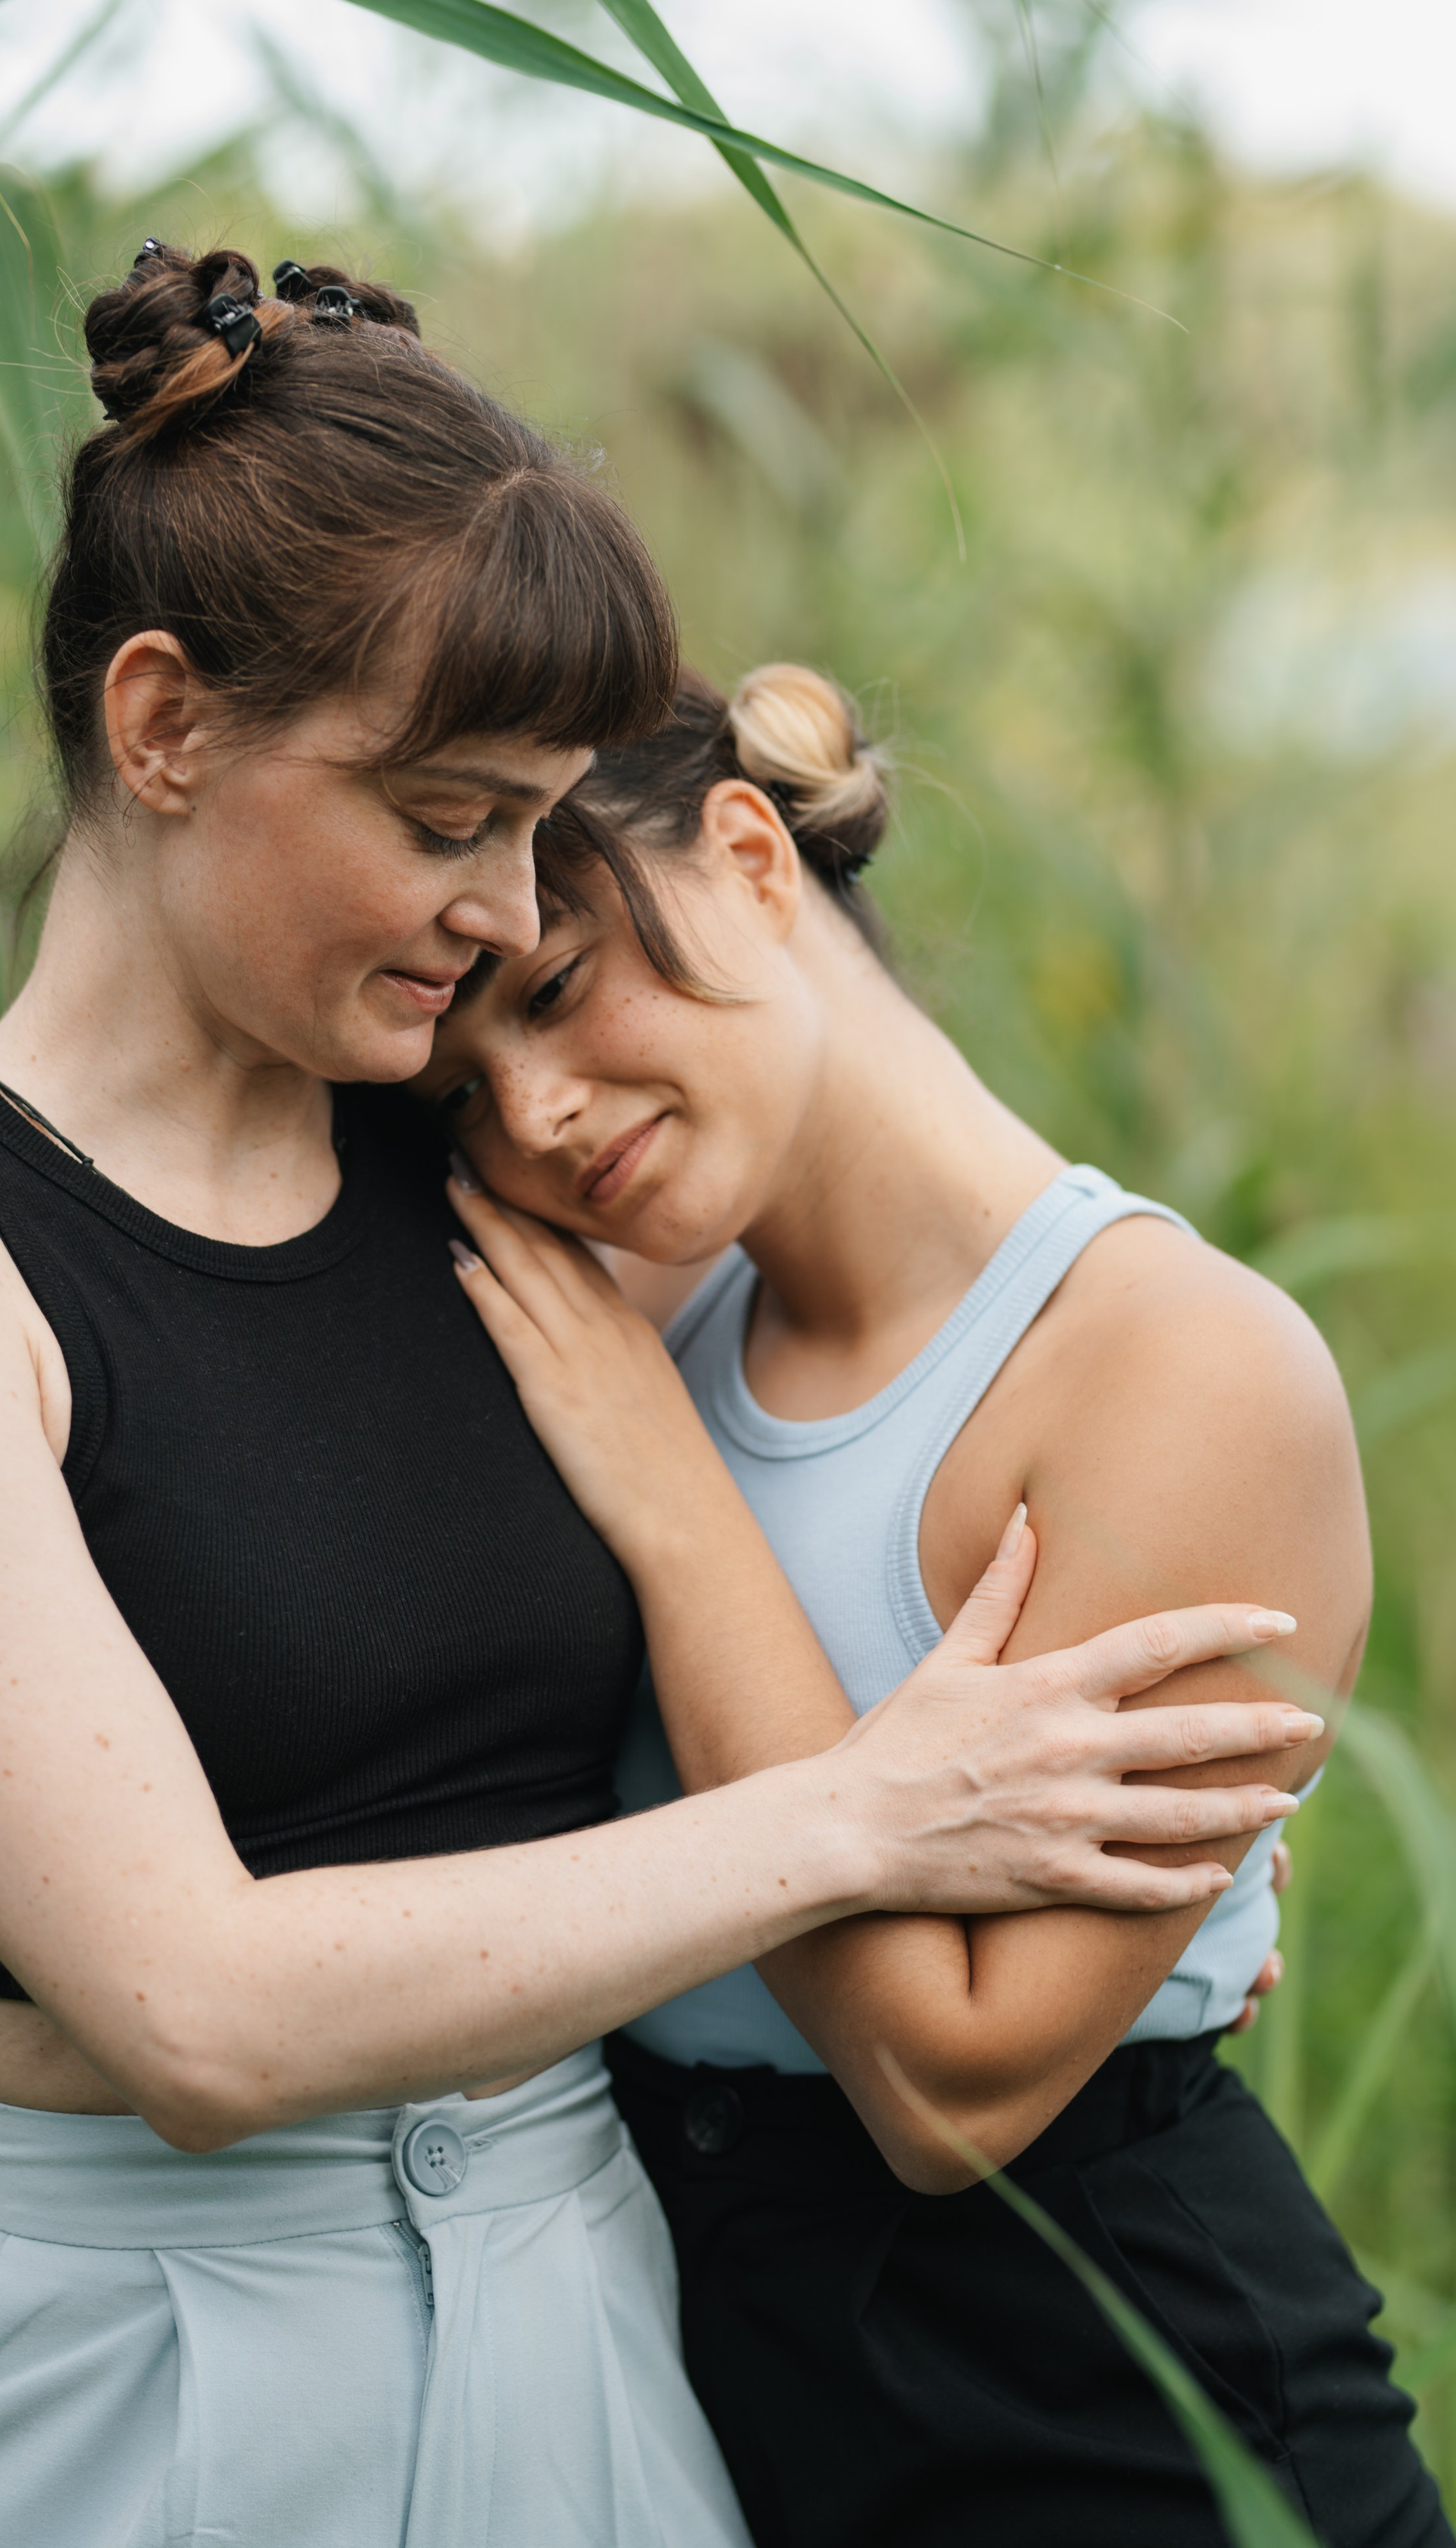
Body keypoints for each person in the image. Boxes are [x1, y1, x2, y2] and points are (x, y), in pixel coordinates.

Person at [0, 254, 1313, 2548]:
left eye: (540, 827)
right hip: (156, 2375)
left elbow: (840, 1469)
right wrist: (877, 1817)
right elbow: (196, 2014)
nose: (500, 911)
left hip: (608, 2322)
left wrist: (1168, 1940)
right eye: (450, 817)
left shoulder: (502, 1187)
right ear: (163, 727)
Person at [428, 661, 1450, 2548]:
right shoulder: (637, 1319)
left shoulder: (1179, 1365)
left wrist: (680, 1513)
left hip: (1107, 2414)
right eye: (465, 1090)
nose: (538, 1113)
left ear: (753, 858)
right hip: (708, 2385)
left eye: (557, 989)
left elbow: (951, 2092)